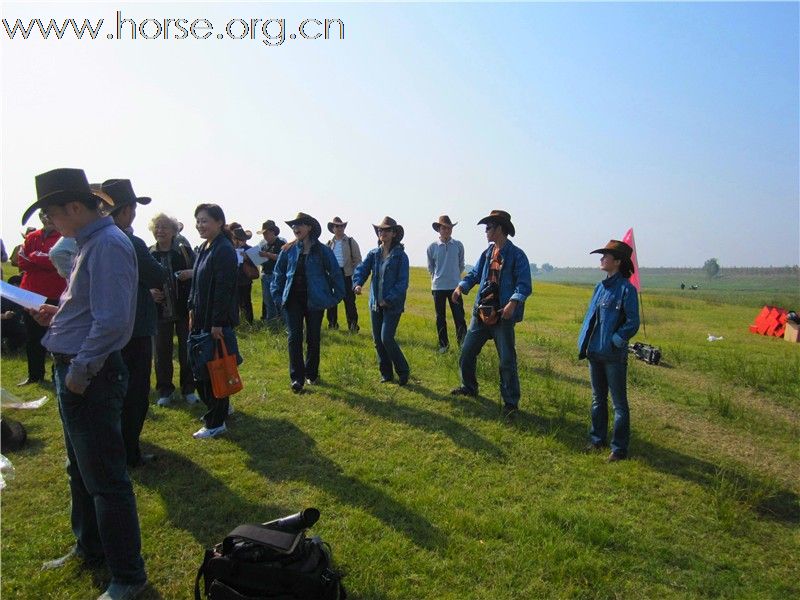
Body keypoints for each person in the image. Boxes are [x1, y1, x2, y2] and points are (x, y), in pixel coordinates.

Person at [27, 168, 147, 600]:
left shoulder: (109, 244)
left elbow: (114, 322)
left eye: (52, 215)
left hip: (89, 375)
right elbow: (90, 307)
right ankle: (90, 548)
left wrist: (79, 373)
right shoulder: (91, 243)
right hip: (79, 368)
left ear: (74, 208)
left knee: (106, 481)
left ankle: (129, 577)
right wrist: (57, 315)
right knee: (80, 470)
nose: (50, 225)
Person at [99, 180, 168, 469]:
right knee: (135, 393)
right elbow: (158, 275)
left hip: (106, 329)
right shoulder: (130, 241)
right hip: (135, 327)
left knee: (114, 392)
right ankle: (129, 453)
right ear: (126, 210)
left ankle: (116, 448)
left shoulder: (96, 238)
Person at [451, 210, 532, 419]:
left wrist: (513, 303)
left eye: (488, 227)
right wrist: (461, 287)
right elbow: (476, 274)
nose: (485, 231)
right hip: (481, 313)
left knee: (506, 360)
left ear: (500, 229)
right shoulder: (487, 253)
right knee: (467, 352)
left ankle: (510, 403)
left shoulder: (517, 255)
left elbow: (524, 285)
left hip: (502, 317)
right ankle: (468, 387)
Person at [577, 240, 640, 462]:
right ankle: (597, 440)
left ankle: (619, 449)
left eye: (606, 256)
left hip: (613, 356)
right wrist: (584, 345)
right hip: (595, 352)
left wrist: (616, 339)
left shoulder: (627, 290)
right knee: (597, 399)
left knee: (619, 404)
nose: (602, 259)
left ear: (618, 261)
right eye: (602, 255)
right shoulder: (599, 288)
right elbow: (591, 320)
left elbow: (633, 322)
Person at [271, 212, 345, 393]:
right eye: (293, 226)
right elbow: (278, 275)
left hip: (315, 301)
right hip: (292, 301)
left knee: (313, 337)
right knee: (294, 338)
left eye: (299, 225)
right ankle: (297, 378)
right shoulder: (288, 250)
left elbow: (336, 274)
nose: (295, 228)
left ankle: (311, 373)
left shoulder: (322, 250)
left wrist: (334, 298)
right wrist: (278, 297)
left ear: (309, 227)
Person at [188, 204, 240, 438]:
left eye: (205, 220)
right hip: (200, 318)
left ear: (219, 222)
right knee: (203, 368)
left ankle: (216, 422)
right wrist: (191, 307)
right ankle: (219, 409)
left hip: (215, 322)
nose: (200, 225)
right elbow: (196, 281)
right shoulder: (204, 247)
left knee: (214, 370)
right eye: (198, 220)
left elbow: (224, 289)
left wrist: (217, 323)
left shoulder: (224, 249)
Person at [352, 217, 411, 385]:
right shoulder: (374, 254)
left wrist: (389, 299)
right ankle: (386, 374)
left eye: (385, 230)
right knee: (378, 340)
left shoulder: (401, 256)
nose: (382, 233)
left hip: (392, 305)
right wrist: (357, 284)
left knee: (386, 338)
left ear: (393, 233)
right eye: (379, 230)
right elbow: (362, 270)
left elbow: (402, 283)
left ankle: (403, 371)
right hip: (374, 304)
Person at [148, 213, 198, 407]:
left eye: (164, 227)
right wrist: (150, 291)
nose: (160, 231)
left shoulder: (183, 251)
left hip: (183, 308)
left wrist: (190, 273)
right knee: (162, 353)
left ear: (173, 231)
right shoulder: (149, 253)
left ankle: (188, 389)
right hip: (159, 311)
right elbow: (139, 278)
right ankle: (165, 390)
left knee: (187, 351)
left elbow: (200, 270)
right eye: (157, 227)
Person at [16, 210, 66, 385]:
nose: (48, 218)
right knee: (32, 336)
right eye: (45, 215)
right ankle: (35, 375)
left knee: (55, 335)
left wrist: (35, 257)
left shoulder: (62, 236)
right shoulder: (32, 236)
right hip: (29, 292)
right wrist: (41, 260)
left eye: (50, 214)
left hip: (54, 293)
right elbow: (21, 261)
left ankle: (56, 375)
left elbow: (57, 260)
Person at [427, 215, 467, 353]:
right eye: (444, 227)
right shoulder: (432, 247)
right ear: (439, 229)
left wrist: (455, 277)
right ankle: (443, 345)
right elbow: (431, 267)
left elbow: (461, 264)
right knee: (440, 317)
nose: (447, 230)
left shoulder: (458, 245)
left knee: (459, 316)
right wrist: (437, 278)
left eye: (449, 228)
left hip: (455, 287)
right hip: (438, 287)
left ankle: (463, 345)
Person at [326, 216, 362, 332]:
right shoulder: (329, 244)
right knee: (331, 302)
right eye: (337, 226)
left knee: (350, 302)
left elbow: (357, 260)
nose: (340, 228)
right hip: (333, 275)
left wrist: (356, 277)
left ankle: (352, 327)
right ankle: (332, 325)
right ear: (333, 228)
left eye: (342, 226)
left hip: (347, 274)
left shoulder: (351, 241)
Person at [256, 220, 285, 324]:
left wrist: (267, 255)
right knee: (268, 302)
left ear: (273, 232)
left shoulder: (281, 243)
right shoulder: (263, 245)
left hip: (277, 276)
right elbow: (259, 260)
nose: (264, 236)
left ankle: (284, 324)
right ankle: (271, 325)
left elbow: (282, 258)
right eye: (263, 234)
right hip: (265, 275)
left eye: (266, 233)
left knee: (279, 301)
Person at [229, 222, 255, 325]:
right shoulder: (229, 249)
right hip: (233, 280)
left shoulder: (250, 249)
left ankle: (249, 322)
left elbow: (260, 262)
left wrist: (246, 257)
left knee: (246, 303)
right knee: (234, 304)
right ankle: (237, 323)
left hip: (245, 280)